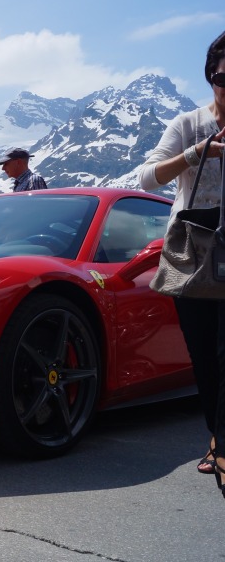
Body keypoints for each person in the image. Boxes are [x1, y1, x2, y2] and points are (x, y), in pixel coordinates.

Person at [138, 29, 225, 496]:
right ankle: (216, 435)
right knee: (204, 356)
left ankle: (223, 447)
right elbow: (148, 178)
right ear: (211, 77)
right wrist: (198, 152)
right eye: (224, 77)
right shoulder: (189, 124)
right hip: (194, 254)